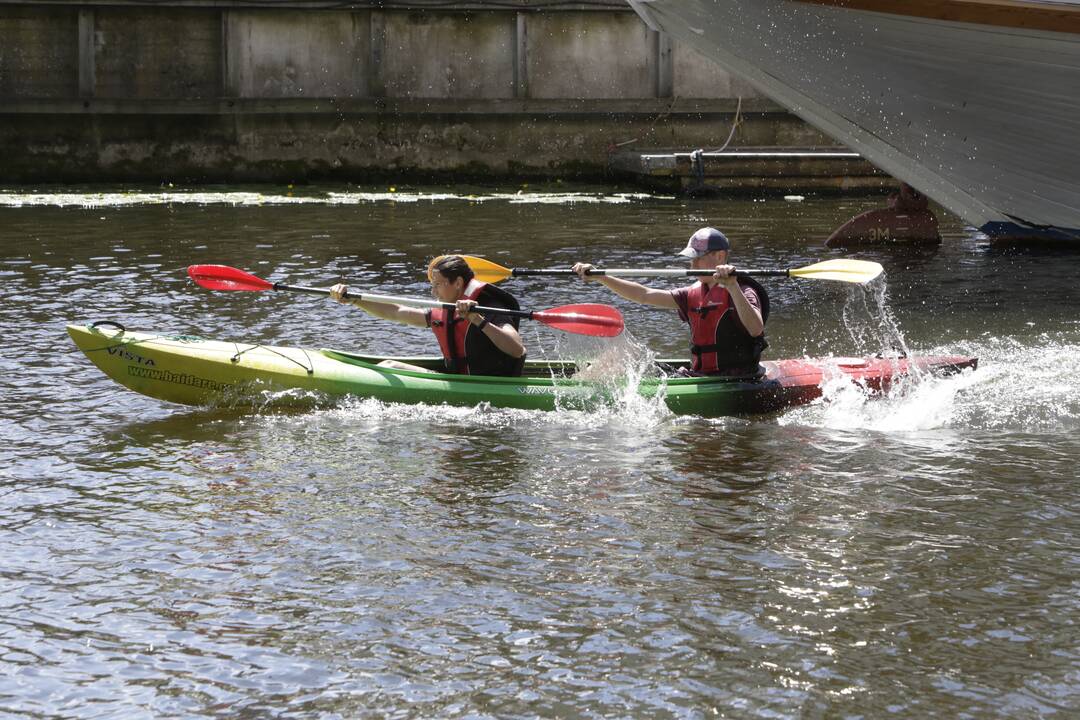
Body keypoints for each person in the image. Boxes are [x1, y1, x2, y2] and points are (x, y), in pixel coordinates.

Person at [572, 227, 768, 376]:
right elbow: (644, 295)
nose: (692, 265)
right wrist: (601, 277)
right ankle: (581, 381)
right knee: (624, 354)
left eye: (697, 258)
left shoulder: (742, 289)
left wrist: (732, 287)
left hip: (738, 378)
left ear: (720, 256)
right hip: (699, 376)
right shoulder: (691, 294)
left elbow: (755, 329)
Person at [330, 254, 526, 376]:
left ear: (458, 283)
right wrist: (355, 300)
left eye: (438, 285)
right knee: (389, 365)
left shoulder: (491, 307)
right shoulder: (446, 310)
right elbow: (397, 311)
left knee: (389, 365)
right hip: (459, 380)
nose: (433, 292)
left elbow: (517, 349)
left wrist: (477, 320)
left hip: (489, 385)